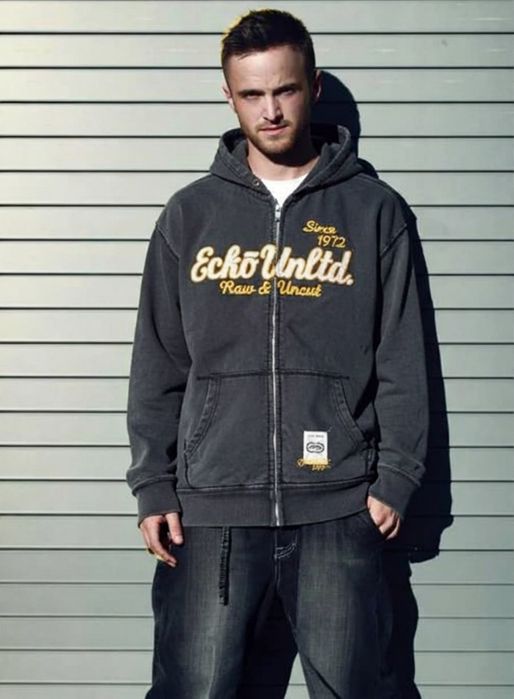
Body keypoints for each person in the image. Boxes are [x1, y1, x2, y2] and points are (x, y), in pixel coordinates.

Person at [125, 8, 429, 698]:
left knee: (356, 689)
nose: (270, 111)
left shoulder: (373, 211)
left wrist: (396, 477)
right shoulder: (189, 216)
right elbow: (159, 364)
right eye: (252, 94)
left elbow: (403, 356)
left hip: (338, 506)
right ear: (228, 97)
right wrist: (153, 485)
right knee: (196, 689)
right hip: (211, 513)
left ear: (312, 87)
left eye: (285, 90)